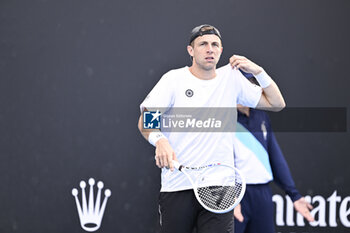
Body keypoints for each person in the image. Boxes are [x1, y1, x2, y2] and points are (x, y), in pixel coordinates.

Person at [137, 24, 285, 233]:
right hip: (178, 184)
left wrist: (258, 72)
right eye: (203, 44)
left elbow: (276, 103)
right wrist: (159, 140)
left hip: (219, 187)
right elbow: (147, 118)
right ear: (191, 50)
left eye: (215, 45)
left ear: (221, 51)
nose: (210, 49)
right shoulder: (173, 79)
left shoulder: (232, 79)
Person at [233, 76, 314, 233]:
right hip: (236, 195)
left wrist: (294, 195)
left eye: (247, 89)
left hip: (262, 195)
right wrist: (230, 197)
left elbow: (275, 156)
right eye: (238, 88)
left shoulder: (262, 117)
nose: (242, 93)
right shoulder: (221, 119)